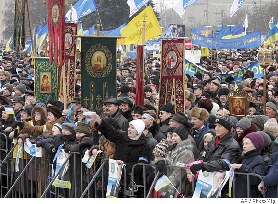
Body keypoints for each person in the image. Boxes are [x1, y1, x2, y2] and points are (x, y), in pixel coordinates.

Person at [89, 113, 152, 198]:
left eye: (132, 128)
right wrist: (100, 121)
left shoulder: (144, 146)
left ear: (139, 131)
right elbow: (110, 132)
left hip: (132, 182)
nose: (129, 130)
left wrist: (124, 165)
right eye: (129, 127)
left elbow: (142, 165)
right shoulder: (122, 137)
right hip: (114, 178)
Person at [230, 132, 266, 198]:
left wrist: (242, 167)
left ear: (256, 145)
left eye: (247, 143)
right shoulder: (244, 157)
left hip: (249, 196)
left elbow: (256, 179)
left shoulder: (259, 159)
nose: (244, 146)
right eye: (243, 144)